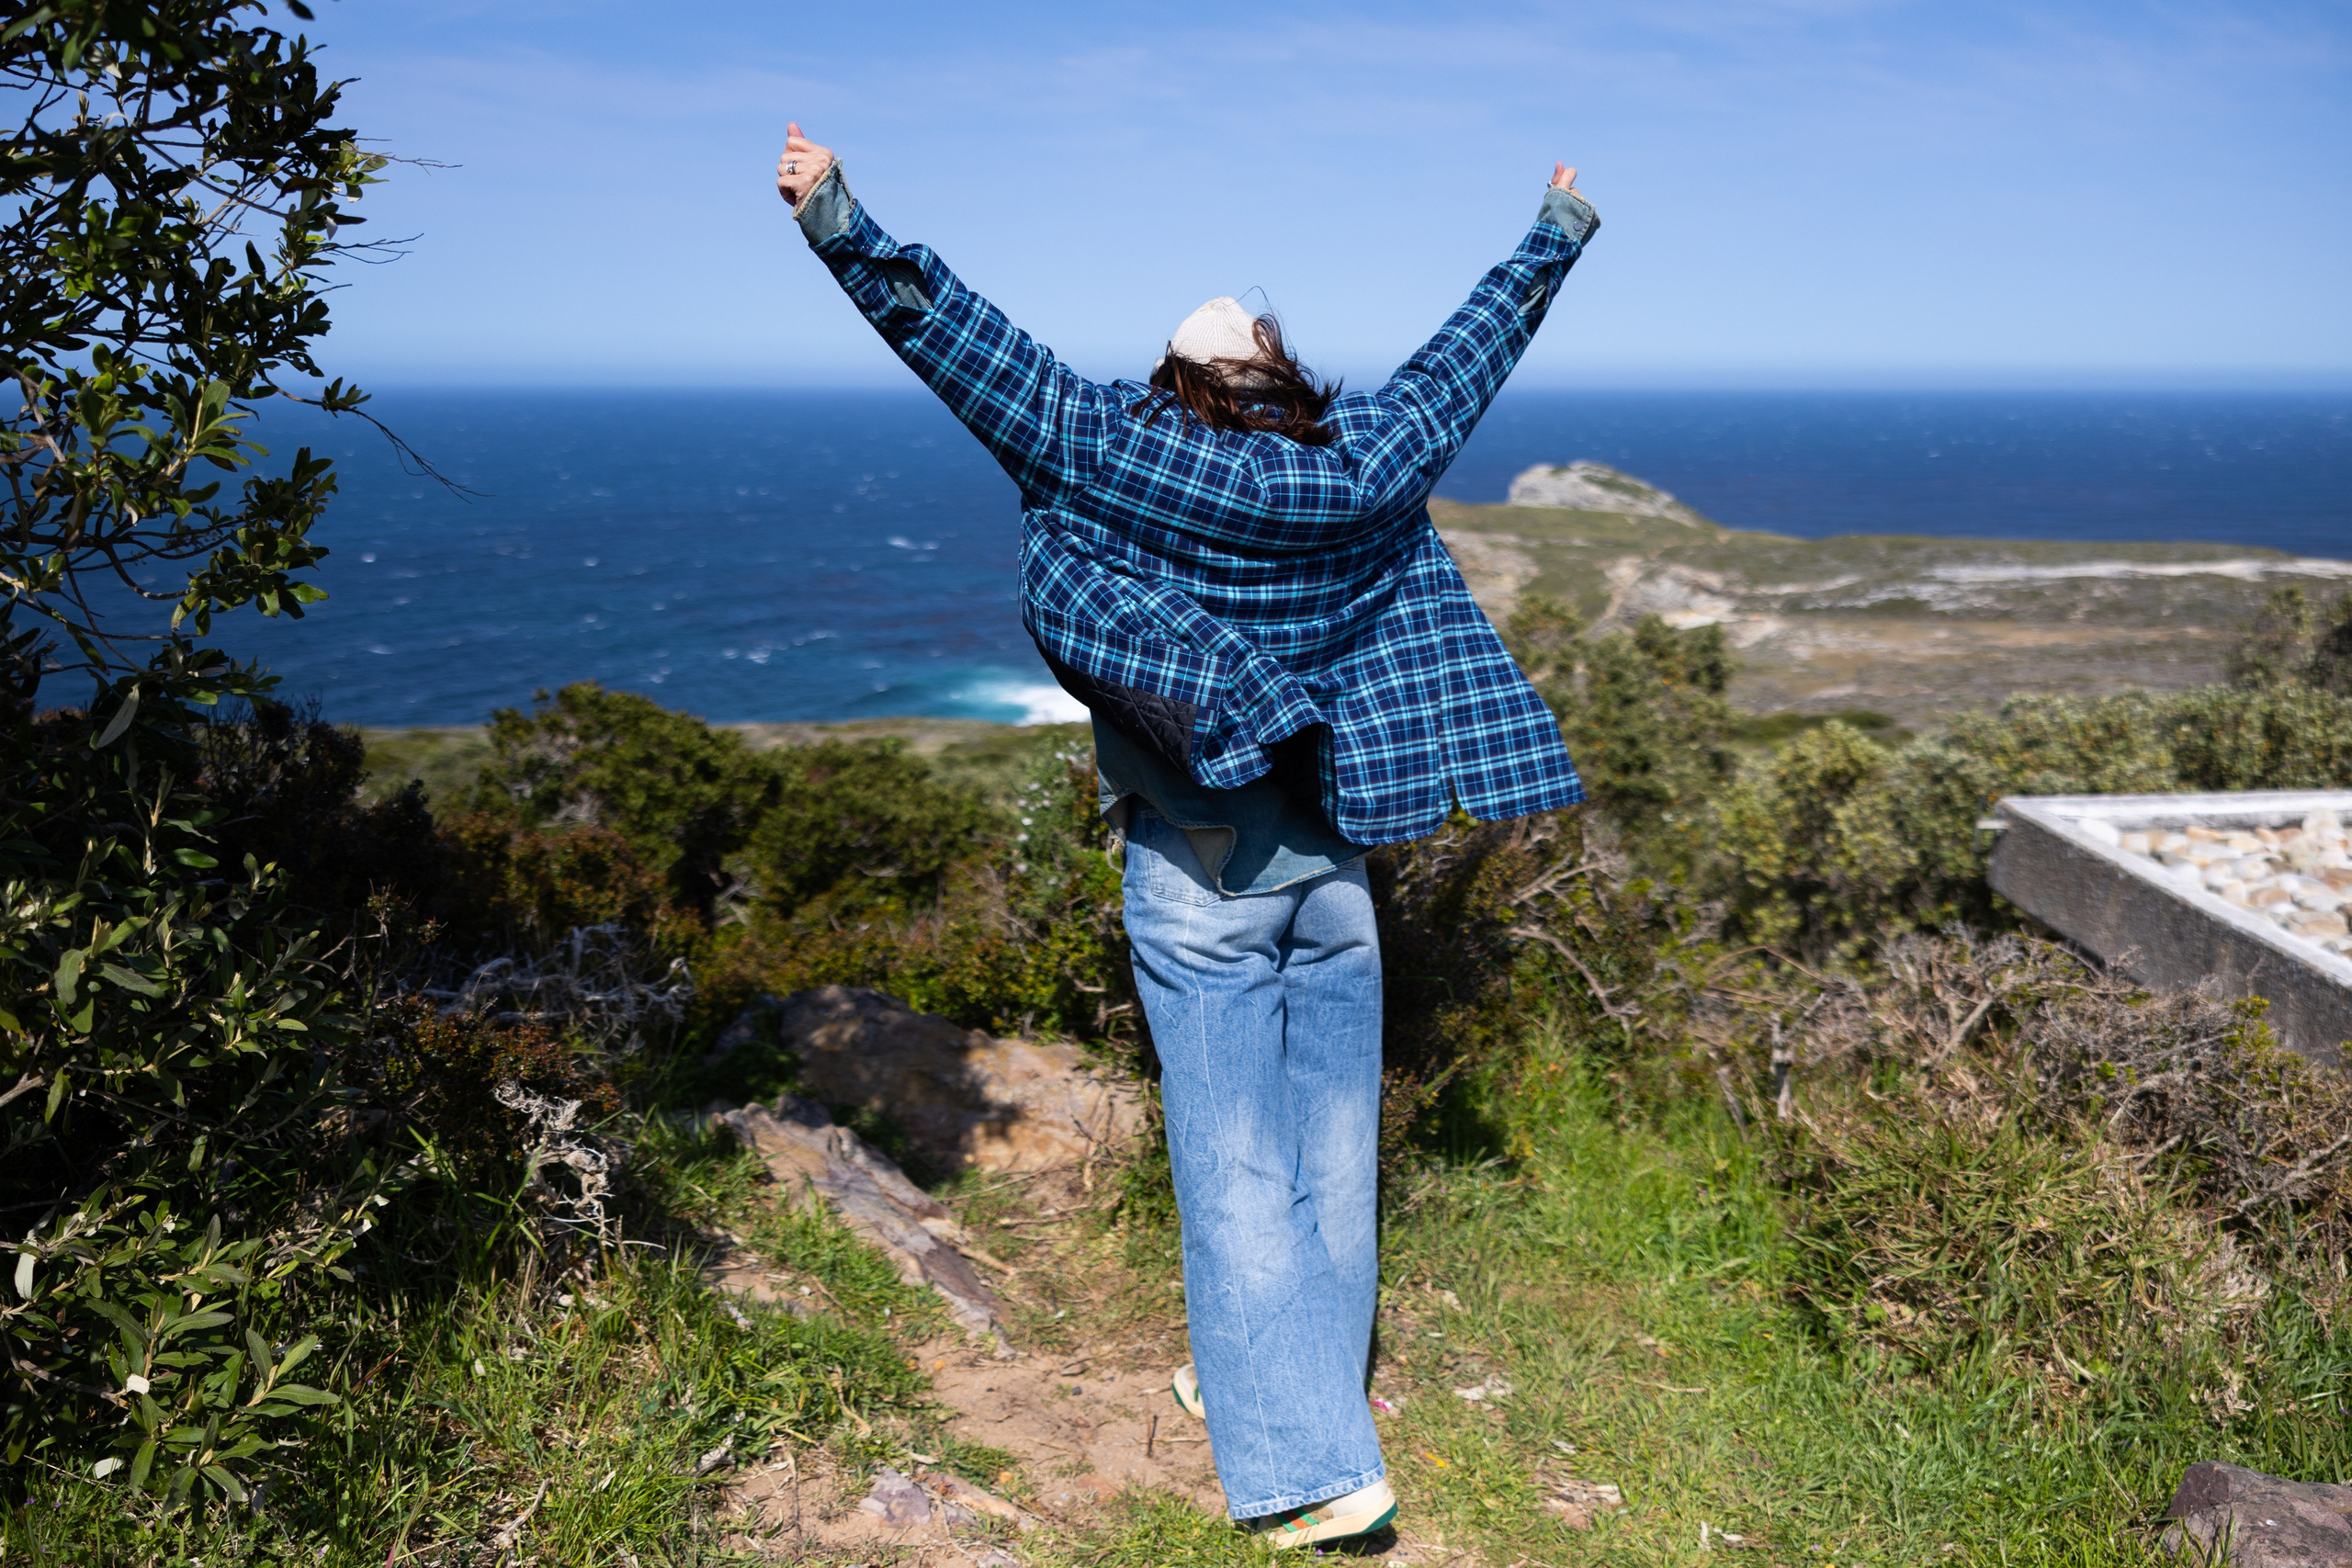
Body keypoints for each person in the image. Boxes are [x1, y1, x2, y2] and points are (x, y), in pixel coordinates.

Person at [776, 124, 1596, 1549]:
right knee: (1329, 1156)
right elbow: (1468, 355)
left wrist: (837, 212)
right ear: (1282, 375)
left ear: (1178, 383)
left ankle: (1312, 1475)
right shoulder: (1360, 468)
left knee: (1232, 1170)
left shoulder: (1116, 451)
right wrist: (1553, 235)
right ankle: (1286, 1386)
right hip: (1334, 865)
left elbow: (956, 337)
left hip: (1199, 867)